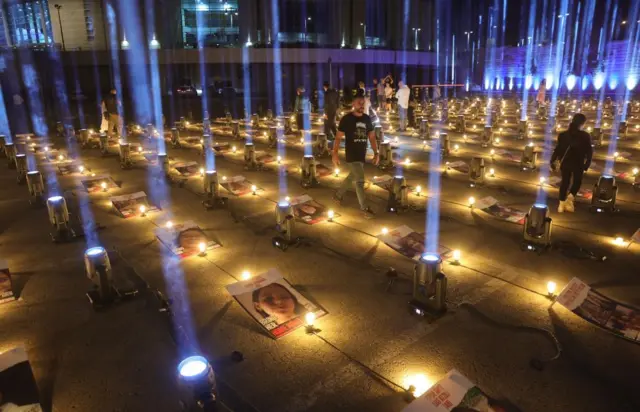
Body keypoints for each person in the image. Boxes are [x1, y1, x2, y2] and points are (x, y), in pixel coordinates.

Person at [332, 90, 378, 218]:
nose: (361, 106)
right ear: (353, 103)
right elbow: (338, 137)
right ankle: (364, 208)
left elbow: (372, 137)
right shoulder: (346, 119)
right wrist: (334, 153)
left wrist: (376, 152)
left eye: (363, 103)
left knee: (352, 176)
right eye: (359, 103)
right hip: (351, 156)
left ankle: (338, 195)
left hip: (361, 155)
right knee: (360, 181)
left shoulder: (367, 119)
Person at [550, 113, 593, 213]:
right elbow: (589, 151)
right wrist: (587, 165)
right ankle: (570, 198)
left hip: (565, 162)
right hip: (578, 163)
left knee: (565, 182)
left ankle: (561, 205)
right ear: (582, 123)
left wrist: (552, 160)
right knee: (577, 182)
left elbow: (557, 149)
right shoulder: (585, 136)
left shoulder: (563, 135)